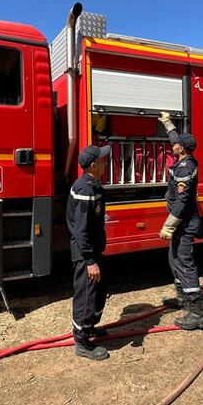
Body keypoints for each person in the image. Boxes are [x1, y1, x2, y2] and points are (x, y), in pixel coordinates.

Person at [158, 112, 203, 330]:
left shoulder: (185, 168)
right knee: (174, 260)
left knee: (185, 263)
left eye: (177, 143)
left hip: (184, 224)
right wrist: (167, 122)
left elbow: (181, 202)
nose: (174, 144)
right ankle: (183, 298)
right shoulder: (183, 157)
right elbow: (175, 138)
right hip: (182, 224)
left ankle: (198, 313)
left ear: (184, 148)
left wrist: (168, 226)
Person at [67, 144, 112, 360]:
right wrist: (89, 260)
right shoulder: (85, 189)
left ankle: (90, 326)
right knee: (86, 294)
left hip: (93, 251)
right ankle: (82, 341)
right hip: (86, 254)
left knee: (99, 290)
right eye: (102, 160)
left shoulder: (91, 185)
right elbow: (81, 229)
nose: (106, 162)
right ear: (93, 165)